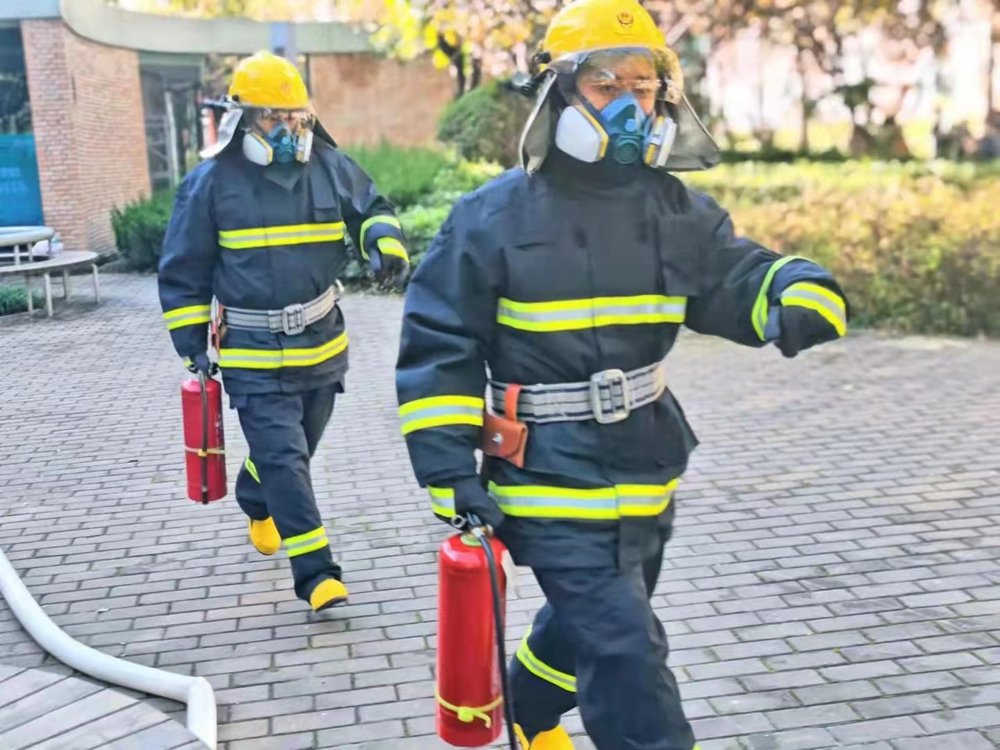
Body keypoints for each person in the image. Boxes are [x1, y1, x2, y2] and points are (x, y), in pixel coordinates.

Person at [396, 1, 850, 747]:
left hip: (646, 468)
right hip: (547, 477)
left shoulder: (673, 209)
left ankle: (527, 709)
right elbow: (439, 341)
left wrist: (794, 288)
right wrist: (449, 472)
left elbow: (732, 275)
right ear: (560, 93)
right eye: (607, 85)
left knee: (594, 629)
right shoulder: (490, 218)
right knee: (628, 655)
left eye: (644, 88)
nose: (630, 106)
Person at [159, 51, 409, 613]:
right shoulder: (209, 184)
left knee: (295, 451)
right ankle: (317, 574)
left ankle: (256, 491)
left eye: (296, 118)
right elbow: (183, 268)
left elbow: (372, 207)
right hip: (251, 353)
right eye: (274, 118)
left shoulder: (328, 165)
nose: (288, 130)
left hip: (322, 346)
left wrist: (384, 244)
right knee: (287, 459)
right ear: (243, 121)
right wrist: (192, 344)